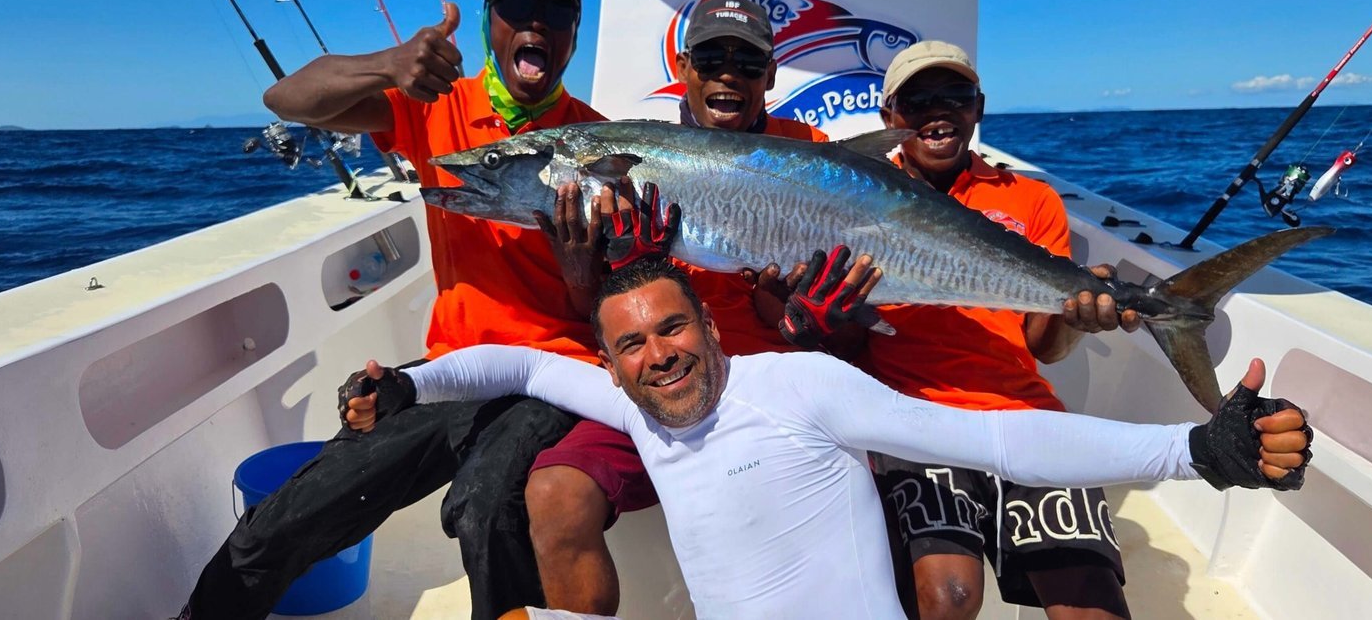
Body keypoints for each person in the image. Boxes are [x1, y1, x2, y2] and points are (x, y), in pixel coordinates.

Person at [350, 258, 1314, 619]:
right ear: (609, 365)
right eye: (633, 343)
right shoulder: (632, 408)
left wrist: (1193, 452)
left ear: (716, 329)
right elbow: (513, 366)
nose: (661, 355)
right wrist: (409, 384)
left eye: (676, 327)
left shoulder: (800, 384)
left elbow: (1001, 444)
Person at [179, 0, 609, 620]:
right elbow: (287, 99)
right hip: (449, 370)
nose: (537, 23)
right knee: (286, 517)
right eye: (518, 7)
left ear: (575, 33)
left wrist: (585, 274)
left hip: (551, 376)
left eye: (556, 11)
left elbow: (607, 305)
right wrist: (389, 64)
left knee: (489, 508)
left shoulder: (600, 144)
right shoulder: (435, 105)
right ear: (493, 22)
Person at [520, 0, 835, 615]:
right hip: (666, 383)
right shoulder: (634, 159)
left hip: (772, 383)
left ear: (770, 76)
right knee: (556, 493)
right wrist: (601, 267)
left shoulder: (810, 150)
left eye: (746, 63)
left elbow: (829, 323)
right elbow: (599, 308)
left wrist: (803, 317)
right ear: (686, 67)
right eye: (712, 57)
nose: (727, 74)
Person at [864, 40, 1146, 620]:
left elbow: (1045, 345)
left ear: (978, 107)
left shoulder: (1031, 198)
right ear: (889, 114)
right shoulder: (857, 194)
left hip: (1025, 414)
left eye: (955, 96)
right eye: (917, 99)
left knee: (1092, 605)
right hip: (916, 421)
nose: (937, 111)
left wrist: (1079, 321)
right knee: (948, 598)